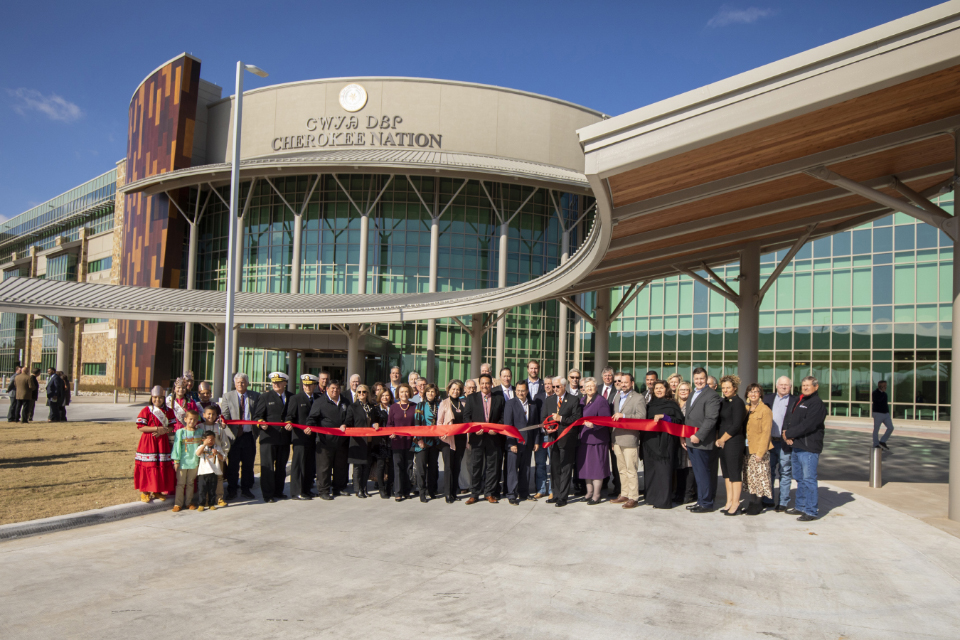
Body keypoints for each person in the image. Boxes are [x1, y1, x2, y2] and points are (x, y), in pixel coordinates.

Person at [782, 376, 827, 522]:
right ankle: (800, 506)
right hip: (797, 445)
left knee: (809, 480)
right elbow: (791, 418)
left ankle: (811, 511)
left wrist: (789, 433)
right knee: (800, 479)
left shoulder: (816, 404)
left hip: (809, 447)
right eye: (803, 385)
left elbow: (809, 425)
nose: (805, 387)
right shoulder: (800, 400)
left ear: (816, 386)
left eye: (808, 385)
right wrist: (785, 432)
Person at [463, 373, 506, 504]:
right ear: (479, 385)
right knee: (476, 466)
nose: (485, 386)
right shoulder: (471, 398)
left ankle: (489, 493)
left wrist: (497, 429)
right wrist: (474, 430)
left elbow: (503, 417)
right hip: (477, 438)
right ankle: (474, 494)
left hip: (493, 438)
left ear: (491, 384)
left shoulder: (499, 398)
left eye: (487, 383)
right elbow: (467, 417)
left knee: (492, 467)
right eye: (482, 383)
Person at [253, 371, 294, 503]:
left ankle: (278, 491)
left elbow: (292, 415)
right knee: (268, 467)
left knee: (281, 467)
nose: (275, 384)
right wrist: (261, 424)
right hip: (269, 437)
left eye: (279, 382)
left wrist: (290, 422)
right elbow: (257, 416)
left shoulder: (291, 397)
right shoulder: (265, 397)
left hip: (284, 437)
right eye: (274, 382)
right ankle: (268, 494)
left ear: (285, 383)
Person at [685, 367, 721, 513]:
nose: (699, 381)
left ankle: (706, 503)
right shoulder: (693, 393)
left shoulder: (711, 395)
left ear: (706, 379)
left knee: (703, 473)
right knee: (698, 474)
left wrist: (699, 436)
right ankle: (700, 500)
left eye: (702, 378)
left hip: (701, 441)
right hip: (690, 440)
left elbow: (711, 419)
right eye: (697, 378)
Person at [219, 373, 260, 500]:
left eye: (243, 382)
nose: (240, 384)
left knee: (248, 465)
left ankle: (246, 489)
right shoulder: (228, 396)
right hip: (233, 437)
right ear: (234, 384)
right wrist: (223, 423)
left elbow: (258, 414)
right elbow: (225, 414)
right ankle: (232, 490)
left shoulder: (255, 396)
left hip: (249, 436)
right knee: (233, 465)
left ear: (247, 383)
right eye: (238, 382)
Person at [543, 376, 583, 507]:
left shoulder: (573, 400)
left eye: (557, 387)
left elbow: (576, 418)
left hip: (567, 440)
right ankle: (555, 494)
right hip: (553, 439)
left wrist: (561, 418)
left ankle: (563, 497)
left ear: (564, 386)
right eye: (553, 387)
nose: (555, 389)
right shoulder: (549, 400)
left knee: (566, 468)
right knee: (554, 468)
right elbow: (544, 418)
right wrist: (547, 428)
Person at [644, 380, 684, 509]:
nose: (658, 390)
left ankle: (663, 501)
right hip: (649, 442)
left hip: (665, 443)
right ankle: (651, 498)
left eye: (661, 388)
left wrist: (665, 417)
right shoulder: (649, 405)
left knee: (663, 471)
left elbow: (679, 421)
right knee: (651, 471)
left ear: (666, 389)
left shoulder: (672, 404)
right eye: (656, 388)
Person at [308, 380, 350, 500]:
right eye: (332, 388)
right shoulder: (320, 402)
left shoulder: (345, 402)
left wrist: (346, 424)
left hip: (341, 442)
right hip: (324, 442)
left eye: (337, 388)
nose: (335, 390)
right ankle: (324, 490)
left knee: (340, 466)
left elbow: (349, 417)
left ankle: (338, 488)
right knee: (324, 467)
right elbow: (312, 419)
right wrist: (310, 427)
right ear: (327, 389)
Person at [610, 372, 646, 509]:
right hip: (617, 439)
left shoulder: (638, 398)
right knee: (621, 469)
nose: (623, 384)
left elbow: (642, 417)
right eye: (621, 382)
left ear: (632, 383)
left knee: (631, 470)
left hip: (630, 439)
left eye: (626, 382)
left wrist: (624, 415)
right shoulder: (618, 396)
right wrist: (613, 440)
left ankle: (633, 497)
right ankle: (624, 494)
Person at [134, 386, 177, 503]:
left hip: (162, 442)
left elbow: (172, 426)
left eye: (160, 397)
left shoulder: (169, 411)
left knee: (160, 465)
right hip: (148, 441)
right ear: (151, 397)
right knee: (149, 465)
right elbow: (141, 427)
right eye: (155, 397)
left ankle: (157, 490)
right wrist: (157, 428)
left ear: (164, 398)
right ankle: (145, 491)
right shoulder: (146, 410)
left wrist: (164, 430)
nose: (157, 400)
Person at [503, 380, 540, 505]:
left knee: (526, 469)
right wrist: (511, 443)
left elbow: (535, 425)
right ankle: (511, 494)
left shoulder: (533, 405)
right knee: (512, 469)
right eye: (518, 390)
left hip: (528, 443)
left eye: (523, 390)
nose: (520, 393)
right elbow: (508, 425)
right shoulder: (510, 404)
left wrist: (536, 441)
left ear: (527, 391)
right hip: (515, 444)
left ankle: (524, 492)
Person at [715, 375, 747, 516]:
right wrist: (719, 439)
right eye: (723, 388)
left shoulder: (738, 402)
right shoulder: (724, 402)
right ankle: (729, 501)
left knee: (734, 473)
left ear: (735, 388)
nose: (726, 390)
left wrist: (722, 439)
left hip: (733, 441)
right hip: (722, 442)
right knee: (726, 474)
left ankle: (736, 503)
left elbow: (736, 425)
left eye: (728, 387)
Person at [763, 377, 796, 512]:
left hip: (784, 443)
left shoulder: (795, 401)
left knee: (785, 471)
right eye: (781, 384)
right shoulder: (768, 399)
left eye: (786, 385)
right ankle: (768, 499)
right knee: (768, 471)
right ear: (776, 386)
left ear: (790, 386)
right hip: (770, 441)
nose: (783, 387)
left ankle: (783, 502)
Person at [577, 377, 611, 505]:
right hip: (585, 439)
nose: (589, 388)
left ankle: (596, 495)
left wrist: (595, 425)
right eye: (587, 386)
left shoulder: (601, 401)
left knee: (597, 468)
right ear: (584, 388)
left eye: (592, 386)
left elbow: (606, 420)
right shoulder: (582, 400)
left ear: (596, 388)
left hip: (597, 439)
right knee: (587, 468)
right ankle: (589, 493)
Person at [288, 374, 321, 500]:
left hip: (314, 438)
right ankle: (296, 492)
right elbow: (290, 417)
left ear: (314, 385)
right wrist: (289, 424)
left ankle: (306, 490)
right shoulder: (296, 398)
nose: (307, 387)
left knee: (309, 466)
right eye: (305, 385)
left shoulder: (318, 398)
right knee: (298, 465)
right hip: (300, 438)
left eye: (309, 385)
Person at [743, 383, 773, 516]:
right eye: (750, 392)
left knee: (760, 478)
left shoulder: (765, 410)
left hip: (758, 449)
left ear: (760, 394)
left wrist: (760, 453)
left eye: (756, 392)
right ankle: (751, 502)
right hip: (747, 448)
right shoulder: (746, 408)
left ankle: (758, 504)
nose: (753, 394)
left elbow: (766, 433)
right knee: (750, 478)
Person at [345, 384, 378, 499]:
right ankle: (358, 489)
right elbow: (348, 421)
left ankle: (364, 488)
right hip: (358, 441)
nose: (361, 394)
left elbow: (374, 420)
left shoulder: (371, 407)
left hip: (369, 441)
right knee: (358, 466)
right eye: (359, 392)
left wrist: (375, 424)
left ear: (367, 393)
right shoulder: (352, 407)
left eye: (364, 392)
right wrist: (344, 425)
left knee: (366, 466)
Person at [437, 379, 466, 504]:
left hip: (461, 439)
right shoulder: (444, 403)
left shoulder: (463, 403)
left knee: (457, 466)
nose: (455, 391)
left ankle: (454, 492)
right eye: (453, 389)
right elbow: (439, 422)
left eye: (458, 389)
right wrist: (442, 434)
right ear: (449, 390)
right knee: (448, 467)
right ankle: (447, 494)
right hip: (448, 440)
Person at [385, 383, 416, 501]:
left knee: (408, 466)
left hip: (410, 441)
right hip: (397, 441)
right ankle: (398, 491)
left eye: (406, 391)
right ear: (398, 393)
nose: (404, 394)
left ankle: (407, 490)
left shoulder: (414, 406)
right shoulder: (393, 407)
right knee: (397, 466)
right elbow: (389, 423)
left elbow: (417, 423)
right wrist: (390, 432)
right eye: (402, 392)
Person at [171, 409, 205, 512]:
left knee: (190, 483)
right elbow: (176, 447)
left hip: (194, 462)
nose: (192, 422)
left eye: (195, 420)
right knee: (181, 484)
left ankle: (189, 502)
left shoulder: (200, 432)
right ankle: (178, 503)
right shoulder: (180, 432)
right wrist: (176, 461)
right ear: (185, 419)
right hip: (182, 462)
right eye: (190, 419)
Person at [200, 404, 233, 507]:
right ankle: (205, 499)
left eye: (213, 414)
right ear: (204, 415)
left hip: (217, 457)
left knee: (219, 478)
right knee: (205, 479)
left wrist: (223, 455)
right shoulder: (200, 427)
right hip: (204, 459)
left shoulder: (219, 428)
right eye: (209, 414)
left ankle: (219, 498)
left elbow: (225, 443)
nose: (211, 416)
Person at [412, 384, 441, 502]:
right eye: (428, 392)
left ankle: (431, 490)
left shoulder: (439, 405)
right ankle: (422, 492)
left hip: (435, 441)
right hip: (422, 441)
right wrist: (419, 439)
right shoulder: (420, 405)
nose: (430, 394)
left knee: (433, 467)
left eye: (433, 392)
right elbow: (417, 422)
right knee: (422, 468)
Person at [673, 381, 697, 505]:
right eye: (681, 389)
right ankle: (679, 493)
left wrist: (684, 437)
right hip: (677, 440)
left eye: (686, 389)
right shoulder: (675, 404)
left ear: (690, 391)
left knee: (689, 467)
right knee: (680, 467)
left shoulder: (692, 404)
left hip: (688, 439)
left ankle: (688, 494)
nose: (683, 391)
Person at [195, 431, 225, 511]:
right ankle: (201, 504)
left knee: (212, 489)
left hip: (214, 472)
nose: (211, 441)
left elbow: (223, 458)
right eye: (208, 439)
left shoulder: (217, 447)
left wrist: (217, 454)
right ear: (203, 440)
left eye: (212, 439)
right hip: (203, 472)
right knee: (202, 489)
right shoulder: (201, 446)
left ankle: (211, 504)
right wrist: (204, 444)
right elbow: (198, 453)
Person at [372, 389, 394, 498]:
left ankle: (389, 487)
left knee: (391, 465)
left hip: (392, 440)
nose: (385, 397)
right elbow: (373, 421)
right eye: (383, 395)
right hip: (380, 441)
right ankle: (381, 488)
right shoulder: (375, 409)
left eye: (387, 395)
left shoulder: (393, 408)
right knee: (381, 465)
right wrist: (374, 424)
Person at [872, 381, 894, 451]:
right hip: (878, 413)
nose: (886, 387)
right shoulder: (875, 393)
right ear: (880, 386)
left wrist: (887, 412)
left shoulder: (885, 394)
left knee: (890, 427)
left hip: (885, 414)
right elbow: (878, 401)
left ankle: (882, 441)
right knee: (876, 429)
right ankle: (875, 444)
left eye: (886, 385)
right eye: (884, 385)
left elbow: (885, 404)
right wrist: (882, 392)